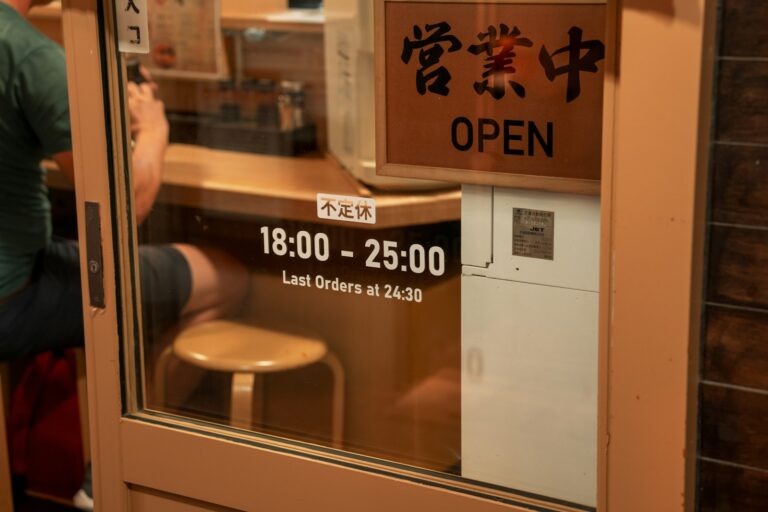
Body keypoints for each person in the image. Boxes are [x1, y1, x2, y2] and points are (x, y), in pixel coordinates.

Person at [0, 0, 249, 507]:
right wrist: (153, 128)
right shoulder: (26, 55)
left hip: (20, 272)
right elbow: (123, 203)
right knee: (224, 276)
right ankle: (108, 478)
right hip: (11, 296)